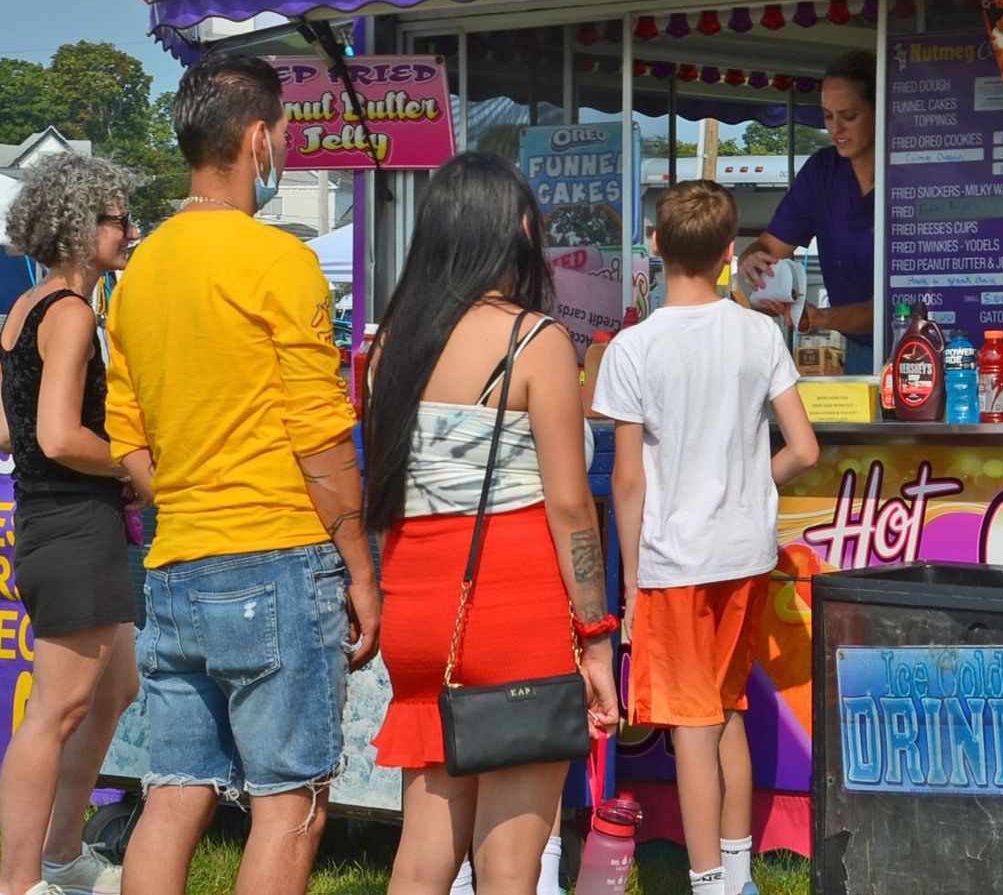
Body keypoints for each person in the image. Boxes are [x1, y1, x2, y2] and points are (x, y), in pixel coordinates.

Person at [104, 55, 380, 895]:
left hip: (176, 563)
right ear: (259, 139)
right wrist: (361, 568)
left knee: (173, 796)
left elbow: (130, 444)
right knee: (288, 806)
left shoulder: (137, 273)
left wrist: (195, 493)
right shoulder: (277, 260)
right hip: (278, 561)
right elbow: (322, 438)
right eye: (286, 136)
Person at [362, 152, 619, 895]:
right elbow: (571, 505)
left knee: (423, 851)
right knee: (509, 864)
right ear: (516, 231)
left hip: (419, 604)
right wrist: (597, 638)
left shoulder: (389, 349)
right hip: (514, 604)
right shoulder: (535, 342)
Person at [595, 181, 818, 895]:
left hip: (674, 561)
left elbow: (627, 481)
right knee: (724, 712)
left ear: (655, 247)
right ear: (729, 254)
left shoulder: (634, 348)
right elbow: (805, 449)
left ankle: (707, 881)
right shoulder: (759, 333)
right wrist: (757, 486)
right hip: (746, 556)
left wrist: (629, 579)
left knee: (693, 726)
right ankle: (739, 874)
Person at [0, 155, 145, 895]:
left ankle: (61, 852)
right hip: (73, 522)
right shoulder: (72, 313)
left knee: (114, 686)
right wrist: (133, 464)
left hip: (49, 518)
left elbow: (9, 432)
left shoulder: (27, 308)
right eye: (116, 216)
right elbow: (58, 436)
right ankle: (23, 879)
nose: (129, 228)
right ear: (76, 226)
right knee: (55, 711)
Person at [738, 51, 878, 373]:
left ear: (879, 111)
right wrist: (754, 263)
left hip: (925, 346)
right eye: (828, 116)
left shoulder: (912, 172)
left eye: (849, 116)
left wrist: (820, 317)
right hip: (861, 350)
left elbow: (900, 305)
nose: (836, 128)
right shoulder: (822, 170)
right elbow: (769, 247)